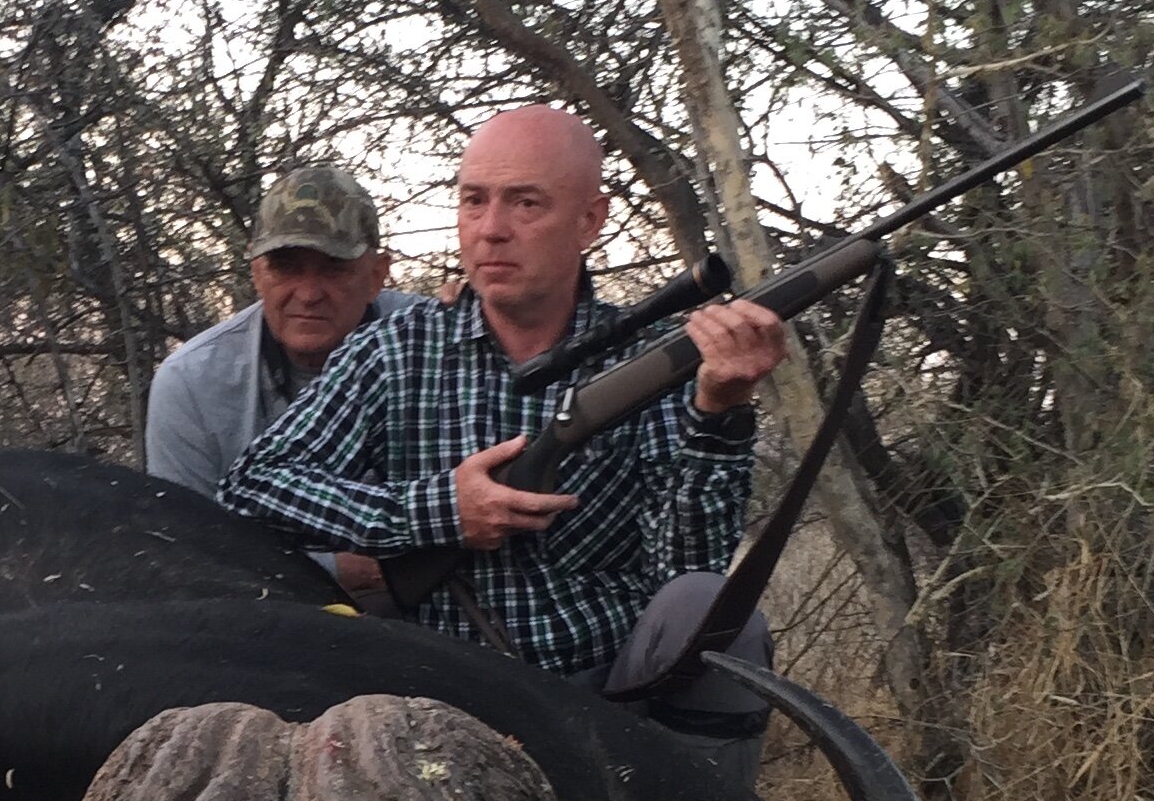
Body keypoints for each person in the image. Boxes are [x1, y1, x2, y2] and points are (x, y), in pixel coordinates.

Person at [216, 104, 788, 730]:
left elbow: (686, 573)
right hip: (441, 698)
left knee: (720, 619)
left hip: (615, 697)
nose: (491, 230)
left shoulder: (656, 361)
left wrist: (718, 414)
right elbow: (253, 485)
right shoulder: (397, 349)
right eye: (473, 201)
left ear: (589, 221)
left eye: (525, 204)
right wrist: (437, 512)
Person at [142, 163, 419, 503]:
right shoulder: (191, 384)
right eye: (285, 268)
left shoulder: (433, 342)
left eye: (334, 268)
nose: (308, 294)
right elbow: (181, 542)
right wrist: (339, 559)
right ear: (256, 274)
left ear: (377, 276)